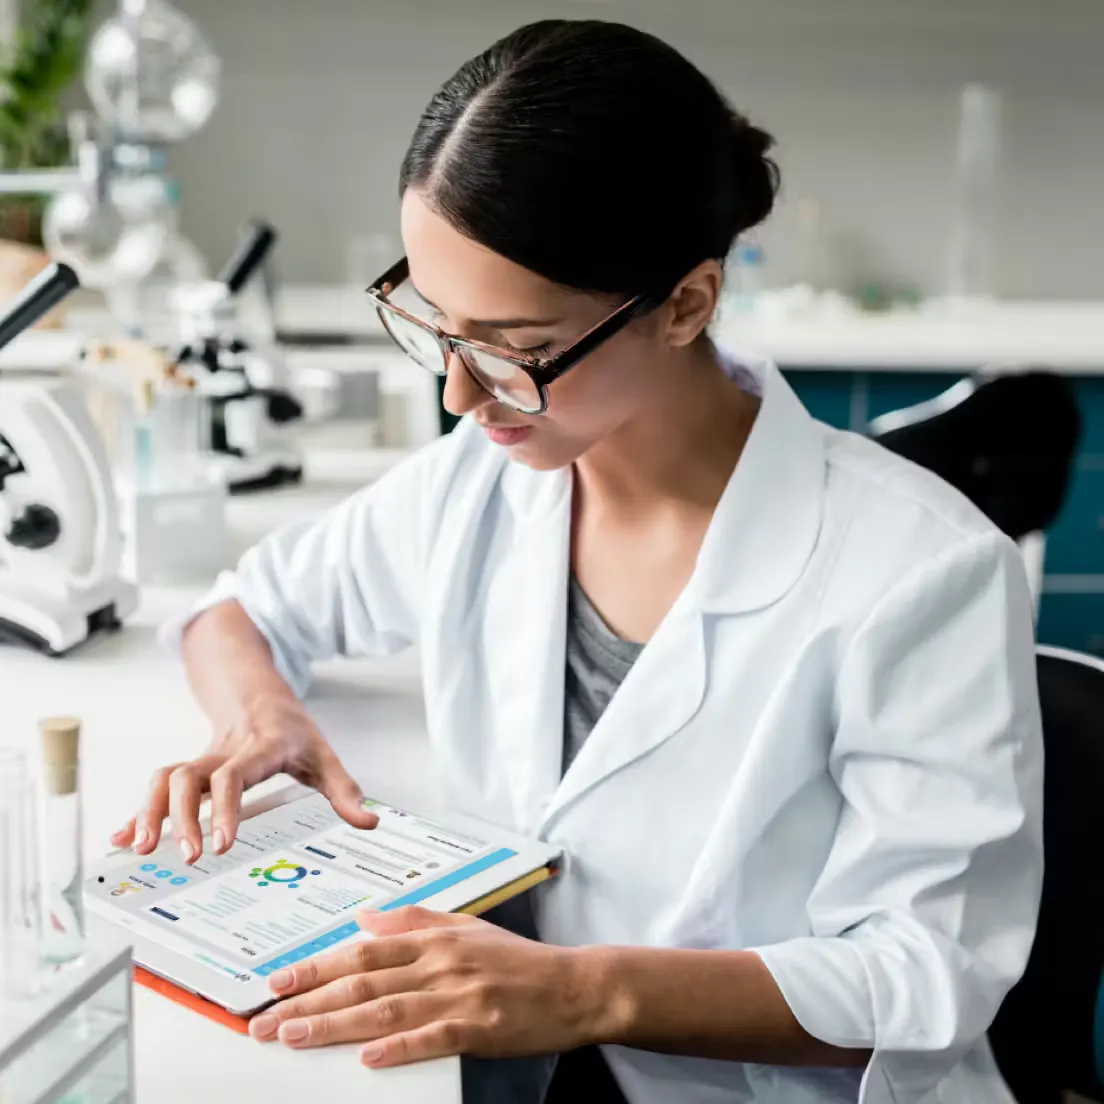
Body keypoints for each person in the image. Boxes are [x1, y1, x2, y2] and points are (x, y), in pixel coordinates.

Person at [113, 19, 1043, 1104]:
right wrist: (260, 719)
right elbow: (241, 612)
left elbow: (925, 980)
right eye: (437, 326)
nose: (460, 395)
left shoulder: (922, 573)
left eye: (516, 350)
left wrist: (581, 993)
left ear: (686, 304)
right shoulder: (486, 477)